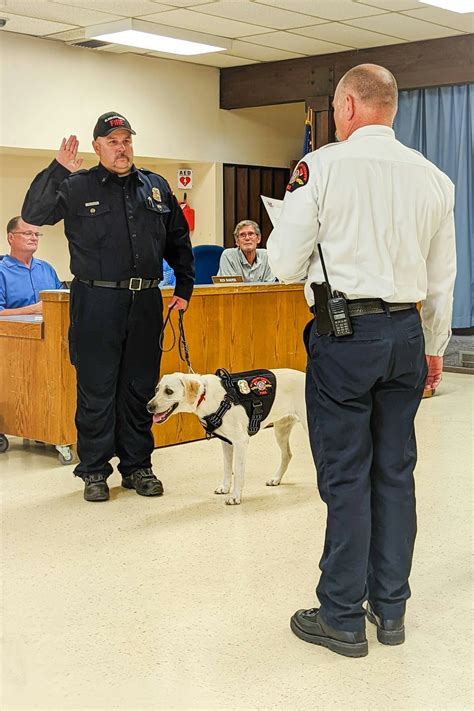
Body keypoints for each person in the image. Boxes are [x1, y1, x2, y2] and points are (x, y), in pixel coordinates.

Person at [267, 64, 456, 657]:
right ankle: (391, 609)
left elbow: (284, 265)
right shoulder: (434, 178)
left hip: (345, 336)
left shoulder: (319, 168)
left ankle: (342, 615)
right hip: (404, 334)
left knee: (347, 475)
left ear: (346, 106)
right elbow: (442, 279)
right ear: (390, 108)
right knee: (395, 474)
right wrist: (433, 347)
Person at [22, 111, 194, 503]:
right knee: (97, 388)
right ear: (97, 146)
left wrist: (184, 284)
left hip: (145, 301)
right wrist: (55, 169)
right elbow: (33, 214)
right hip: (96, 300)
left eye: (127, 141)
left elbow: (177, 239)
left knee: (138, 388)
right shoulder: (75, 185)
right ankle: (95, 471)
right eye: (113, 142)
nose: (122, 148)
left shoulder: (154, 186)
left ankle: (137, 466)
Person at [0, 217, 62, 316]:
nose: (34, 238)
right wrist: (33, 309)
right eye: (28, 233)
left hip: (52, 329)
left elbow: (62, 302)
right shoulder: (2, 272)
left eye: (36, 234)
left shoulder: (47, 269)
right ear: (11, 237)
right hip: (14, 331)